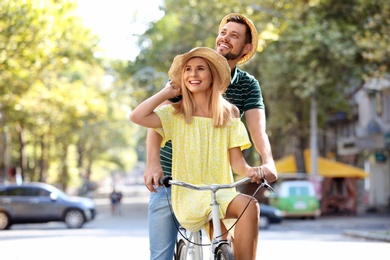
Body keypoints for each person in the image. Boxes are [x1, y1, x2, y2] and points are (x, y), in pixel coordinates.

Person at [144, 13, 277, 259]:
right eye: (223, 32)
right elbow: (157, 121)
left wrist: (268, 162)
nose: (225, 38)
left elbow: (258, 129)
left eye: (234, 36)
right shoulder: (192, 75)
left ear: (246, 48)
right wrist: (152, 163)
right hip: (172, 177)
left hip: (212, 178)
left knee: (225, 243)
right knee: (161, 254)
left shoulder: (247, 85)